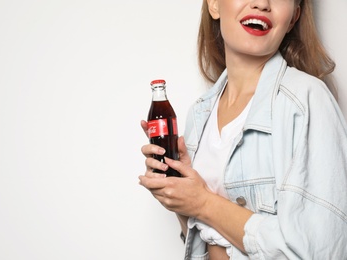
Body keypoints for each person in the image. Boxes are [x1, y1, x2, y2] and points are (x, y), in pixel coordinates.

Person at [139, 0, 347, 259]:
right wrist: (179, 195)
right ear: (214, 5)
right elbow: (203, 237)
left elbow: (318, 251)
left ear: (294, 16)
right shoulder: (200, 112)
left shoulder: (306, 100)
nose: (261, 3)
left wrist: (204, 203)